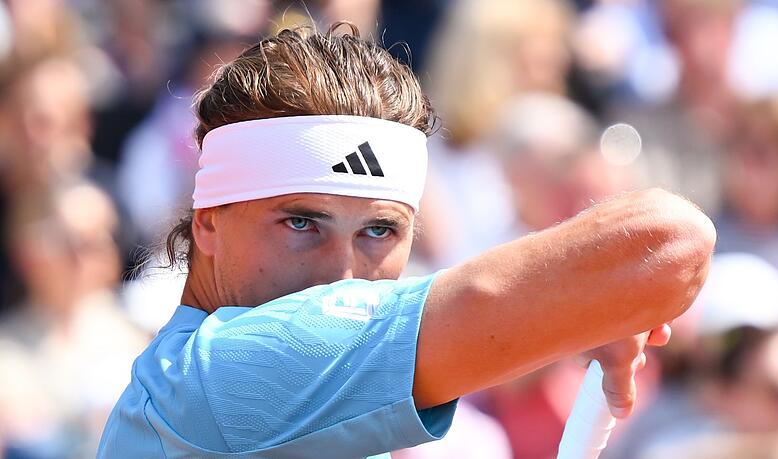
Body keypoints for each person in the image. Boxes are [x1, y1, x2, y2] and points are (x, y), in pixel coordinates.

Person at [97, 24, 716, 458]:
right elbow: (667, 241)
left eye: (379, 231)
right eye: (301, 222)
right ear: (208, 218)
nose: (341, 270)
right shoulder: (224, 370)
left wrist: (575, 308)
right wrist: (580, 302)